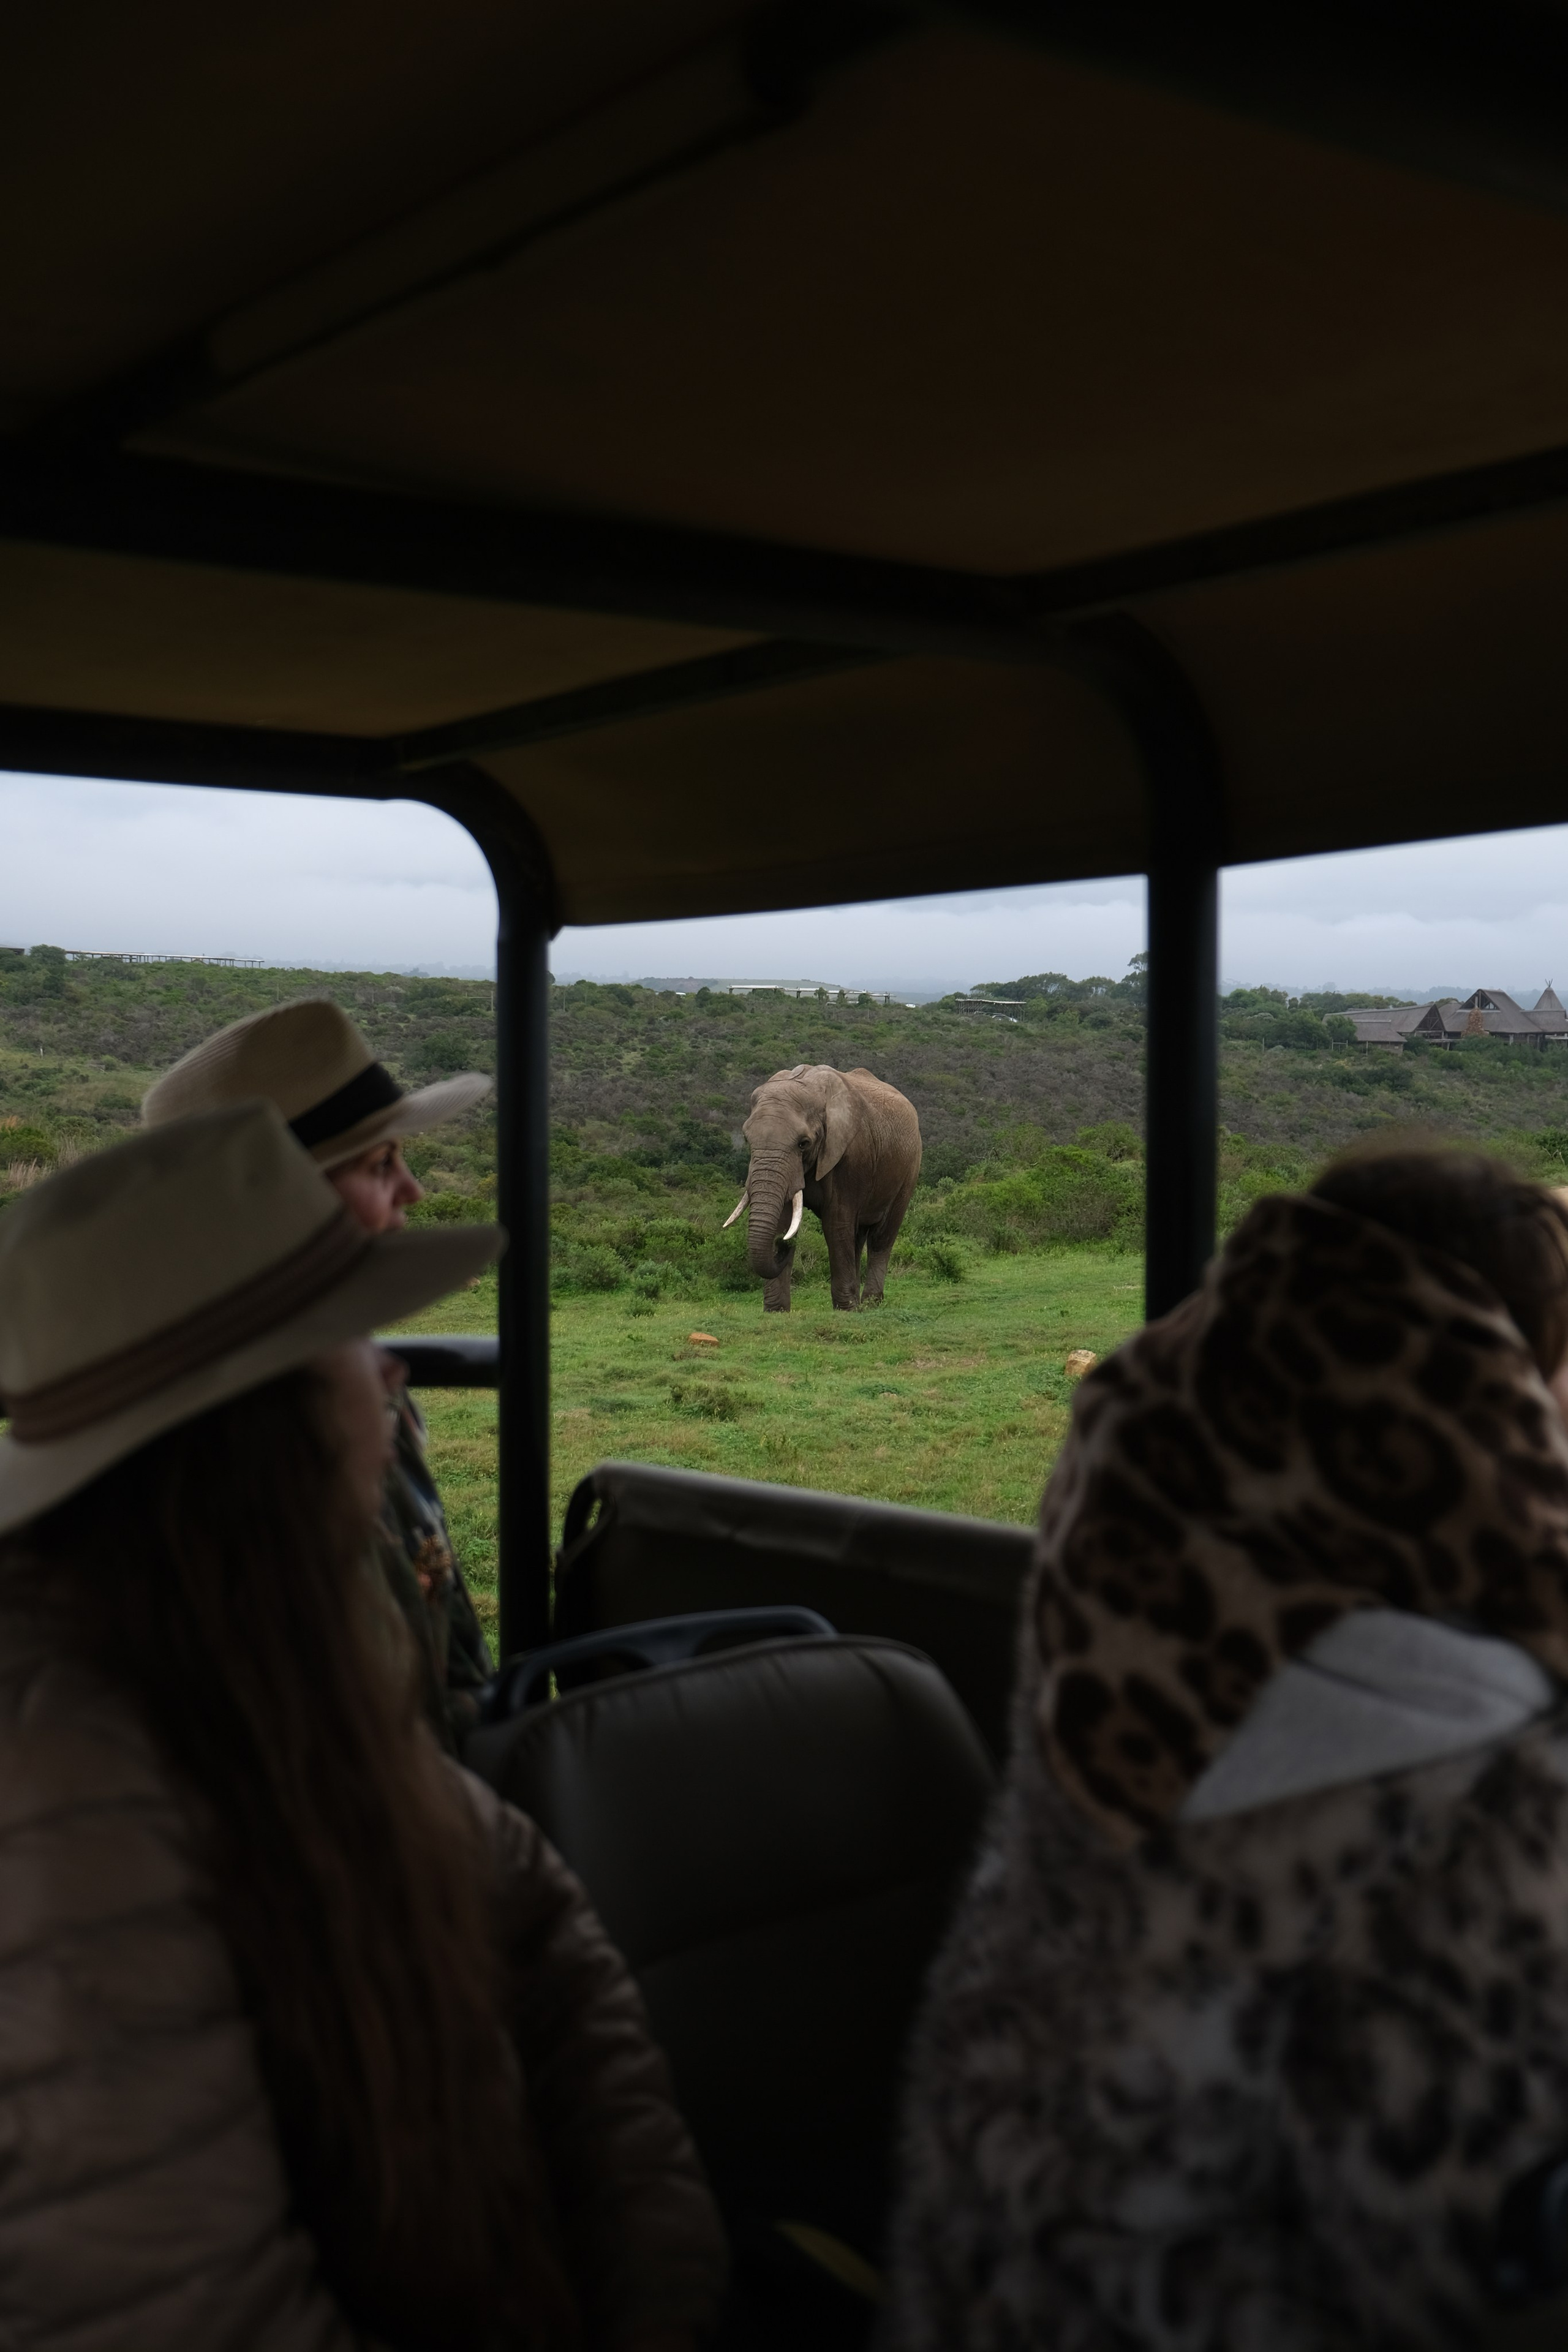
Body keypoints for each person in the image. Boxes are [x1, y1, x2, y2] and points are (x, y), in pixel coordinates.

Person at [0, 1102, 725, 2349]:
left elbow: (547, 1943)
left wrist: (657, 2293)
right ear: (256, 1425)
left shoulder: (265, 1660)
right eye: (354, 1339)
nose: (392, 1374)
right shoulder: (65, 1792)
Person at [884, 1148, 1568, 2351]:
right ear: (1495, 1399)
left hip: (991, 2277)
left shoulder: (1137, 1601)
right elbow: (1481, 2272)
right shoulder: (1487, 1763)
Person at [143, 996, 495, 1746]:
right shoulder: (252, 1437)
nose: (413, 1191)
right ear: (279, 1208)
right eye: (379, 1164)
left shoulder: (346, 1369)